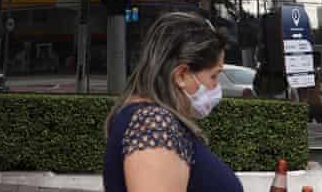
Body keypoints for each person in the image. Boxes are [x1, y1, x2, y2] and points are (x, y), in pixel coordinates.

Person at [103, 12, 243, 192]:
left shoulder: (152, 121)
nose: (216, 87)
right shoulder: (153, 124)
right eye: (213, 76)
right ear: (181, 75)